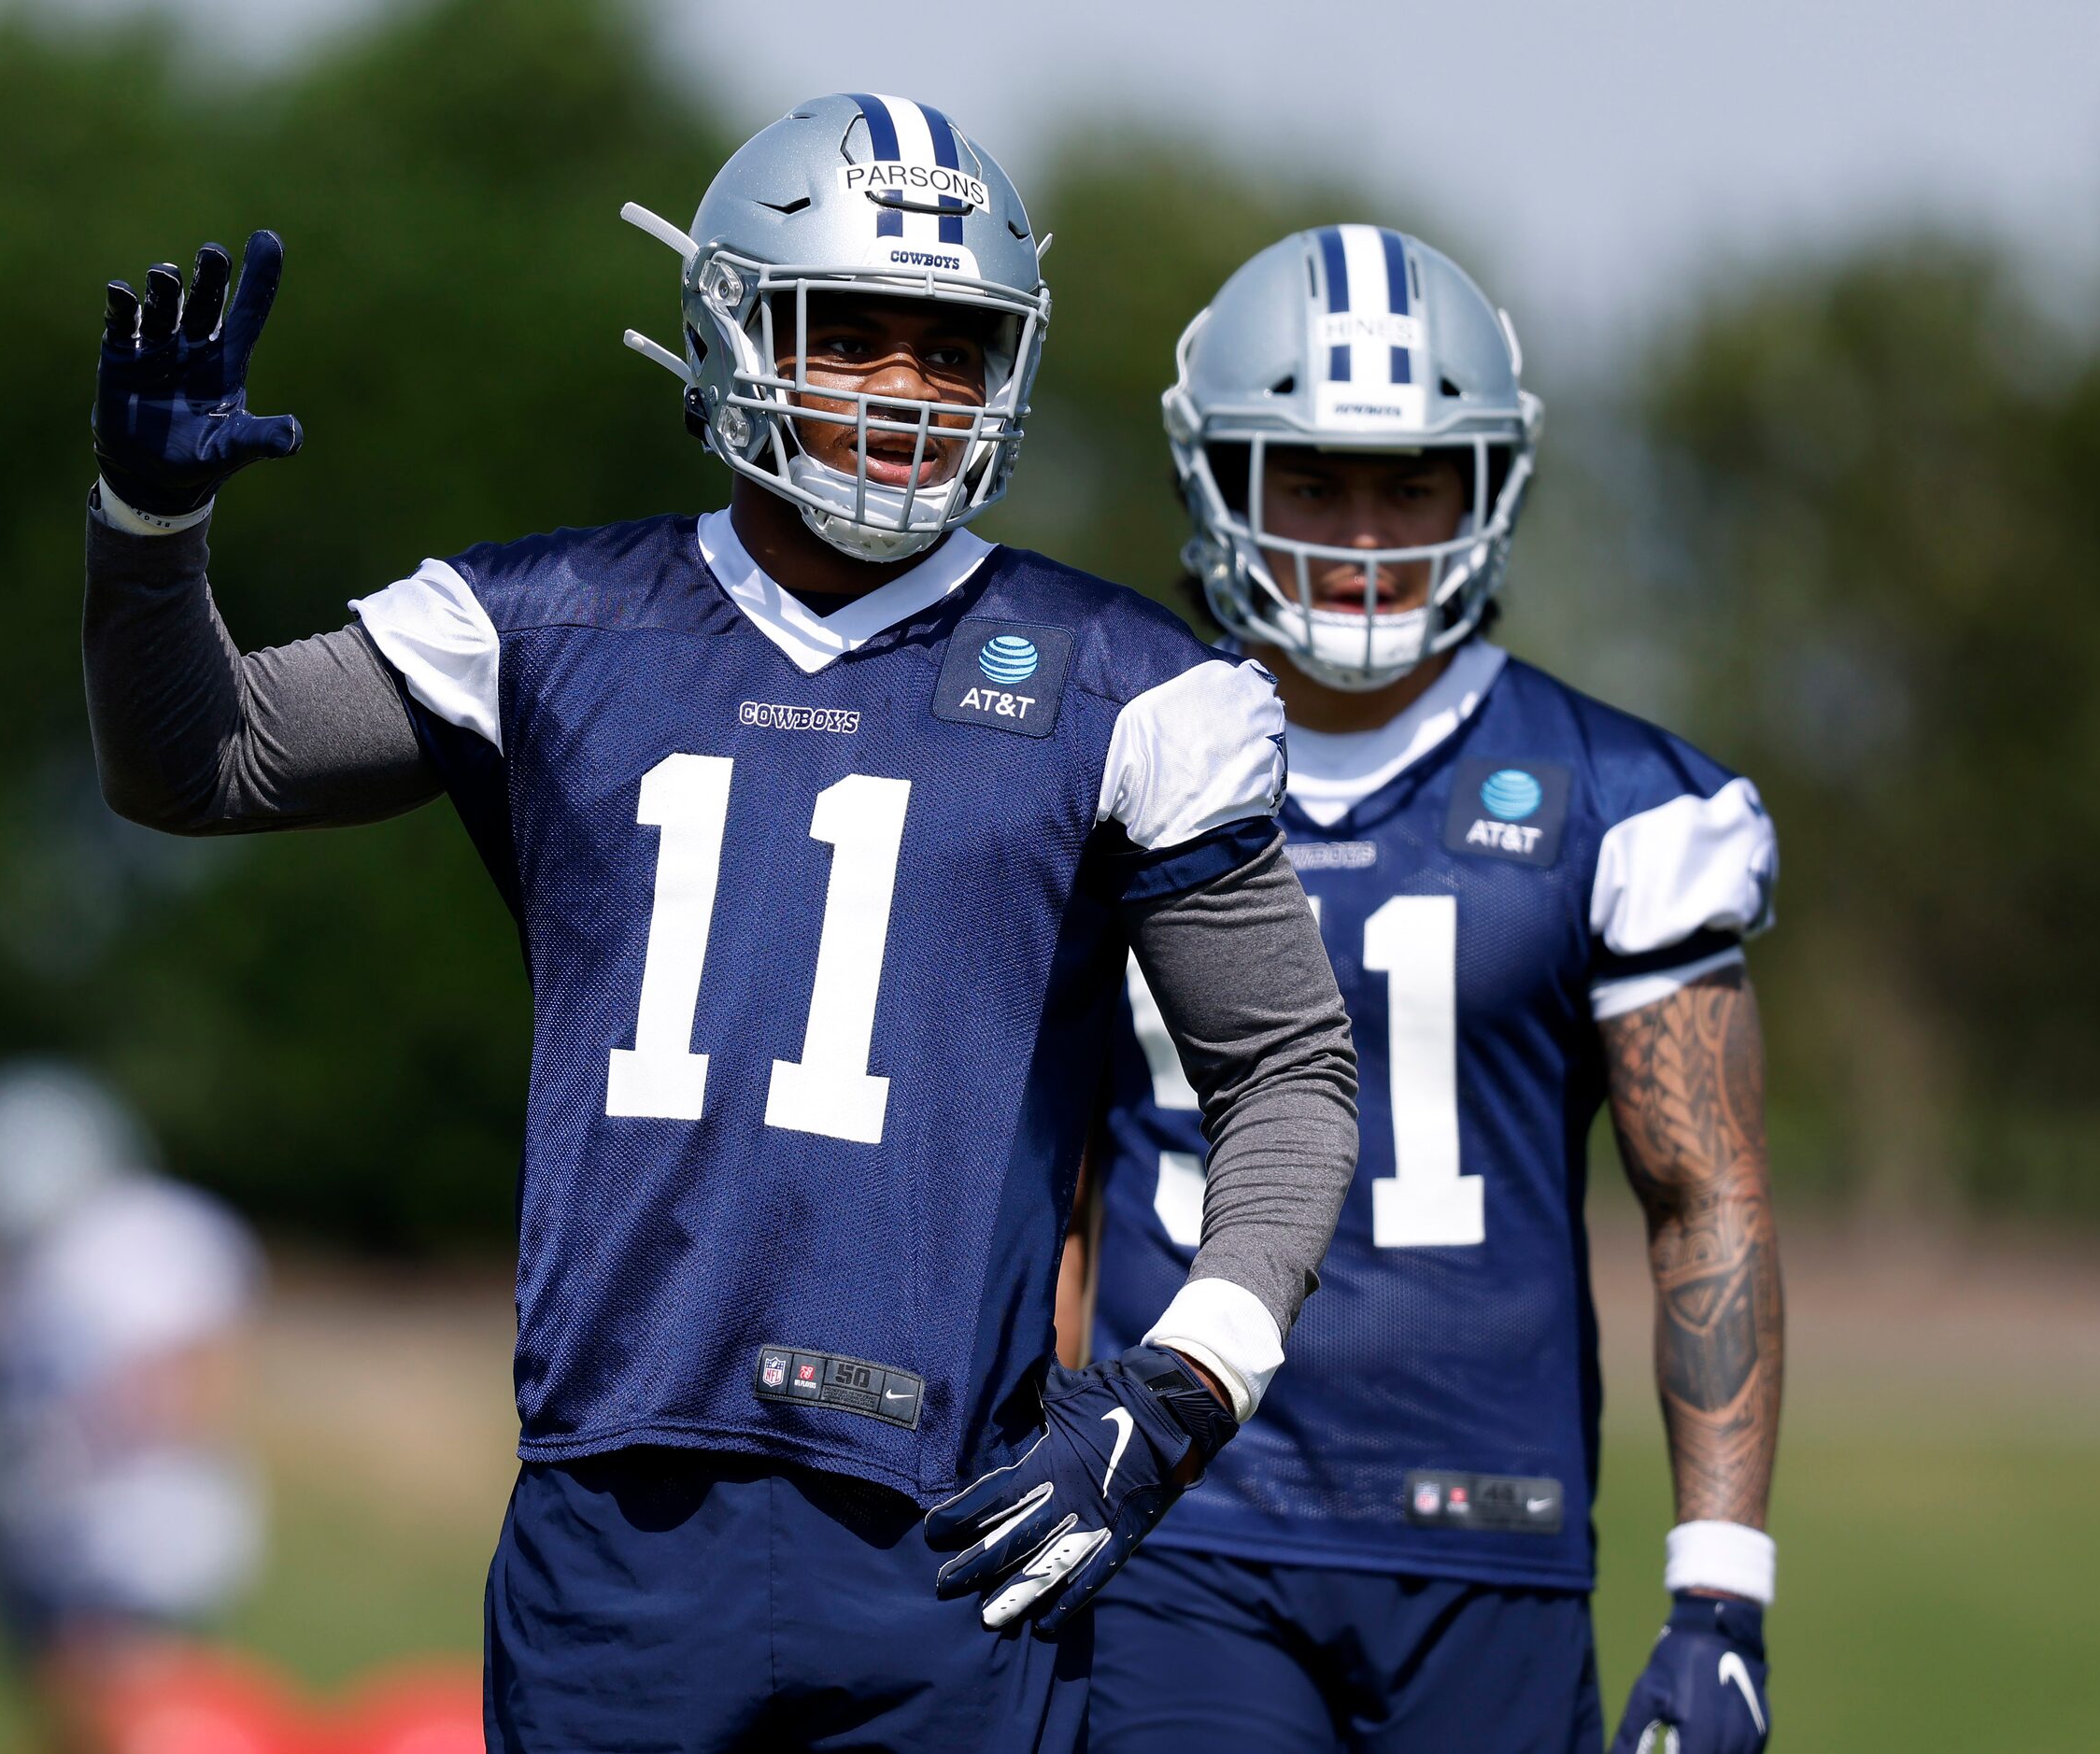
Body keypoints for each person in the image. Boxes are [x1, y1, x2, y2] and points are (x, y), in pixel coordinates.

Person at [79, 95, 1359, 1751]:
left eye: (953, 347)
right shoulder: (544, 623)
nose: (905, 390)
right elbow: (203, 759)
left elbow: (1288, 1072)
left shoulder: (1123, 687)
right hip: (618, 1518)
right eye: (856, 334)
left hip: (947, 1531)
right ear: (735, 322)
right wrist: (148, 530)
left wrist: (1184, 1382)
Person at [1070, 226, 1783, 1753]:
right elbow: (1045, 1167)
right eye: (1312, 478)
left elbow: (1702, 1196)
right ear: (1222, 477)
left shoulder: (1624, 801)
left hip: (1492, 1531)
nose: (1364, 531)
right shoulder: (1117, 753)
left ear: (1486, 488)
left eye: (1411, 481)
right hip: (1185, 1519)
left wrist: (1719, 1589)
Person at [0, 1060, 265, 1752]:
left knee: (135, 1715)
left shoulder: (145, 1236)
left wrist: (74, 1441)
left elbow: (196, 1373)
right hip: (61, 1536)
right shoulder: (28, 1262)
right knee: (70, 1712)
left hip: (140, 1537)